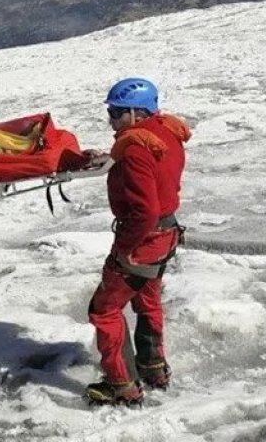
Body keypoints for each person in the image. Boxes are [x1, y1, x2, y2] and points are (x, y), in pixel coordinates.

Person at [85, 77, 192, 405]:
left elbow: (144, 211)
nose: (112, 121)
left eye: (117, 113)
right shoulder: (165, 133)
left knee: (104, 309)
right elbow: (154, 168)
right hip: (166, 235)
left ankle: (121, 384)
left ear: (135, 113)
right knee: (147, 300)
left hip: (144, 241)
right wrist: (110, 157)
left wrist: (125, 250)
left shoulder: (134, 149)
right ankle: (153, 366)